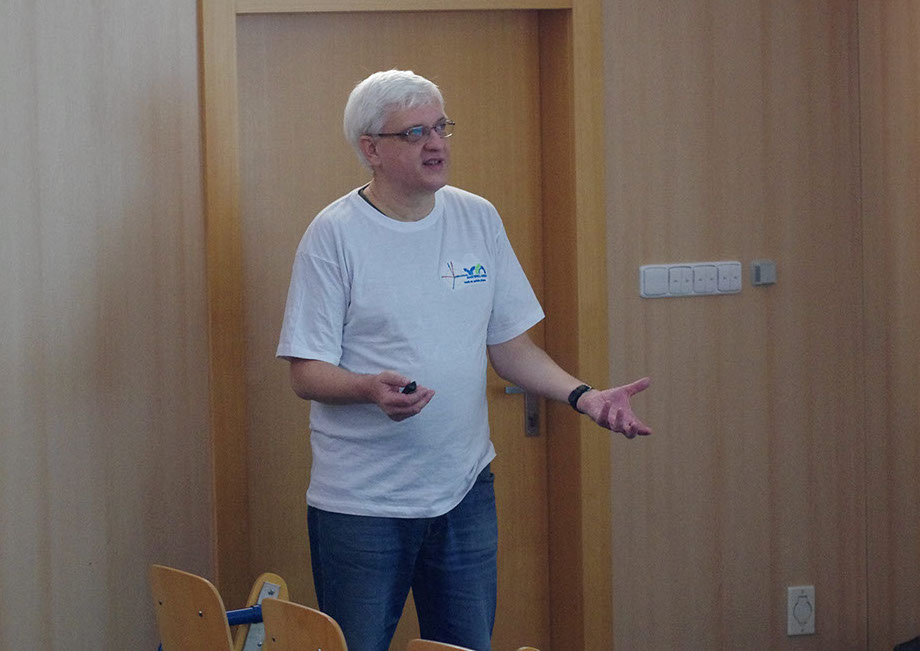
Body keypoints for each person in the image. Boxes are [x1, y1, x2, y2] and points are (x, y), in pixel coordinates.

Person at [276, 69, 651, 651]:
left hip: (465, 490)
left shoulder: (478, 217)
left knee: (464, 645)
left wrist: (585, 396)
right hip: (362, 504)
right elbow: (306, 372)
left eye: (441, 127)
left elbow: (511, 348)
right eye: (415, 133)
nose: (436, 144)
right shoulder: (334, 235)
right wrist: (368, 388)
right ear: (371, 150)